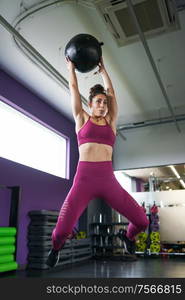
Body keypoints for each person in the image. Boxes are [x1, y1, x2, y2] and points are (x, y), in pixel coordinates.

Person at [46, 57, 149, 267]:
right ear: (90, 104)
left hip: (107, 181)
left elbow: (113, 93)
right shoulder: (81, 119)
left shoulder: (111, 123)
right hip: (83, 182)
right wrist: (71, 68)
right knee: (62, 232)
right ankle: (56, 248)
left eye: (104, 102)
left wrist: (104, 70)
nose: (102, 105)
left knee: (142, 221)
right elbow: (73, 87)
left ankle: (127, 236)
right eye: (98, 102)